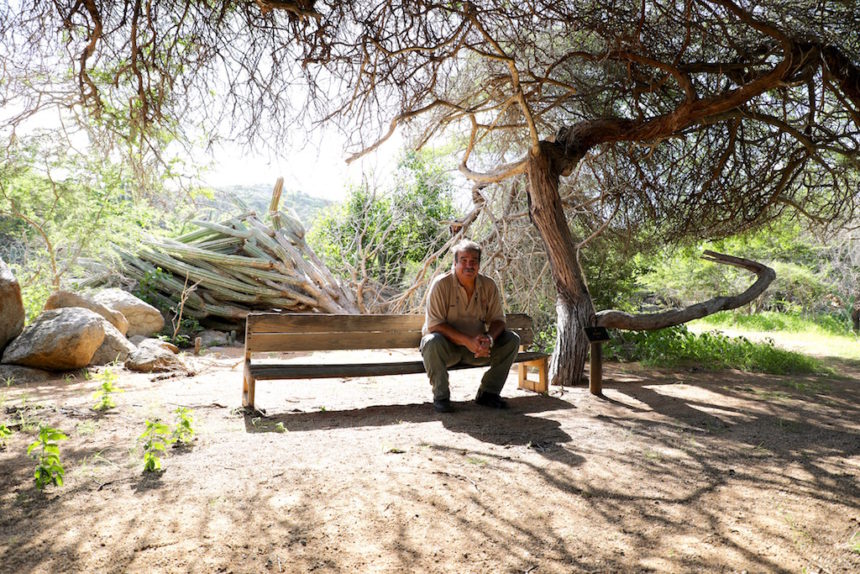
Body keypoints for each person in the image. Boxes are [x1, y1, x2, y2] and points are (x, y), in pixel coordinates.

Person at [420, 239, 520, 413]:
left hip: (478, 350)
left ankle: (488, 393)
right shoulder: (441, 285)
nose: (469, 265)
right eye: (463, 261)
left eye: (473, 261)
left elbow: (498, 319)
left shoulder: (488, 285)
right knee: (431, 341)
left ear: (479, 264)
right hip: (446, 351)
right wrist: (467, 340)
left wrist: (488, 339)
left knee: (511, 340)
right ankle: (441, 397)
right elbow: (435, 325)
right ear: (455, 263)